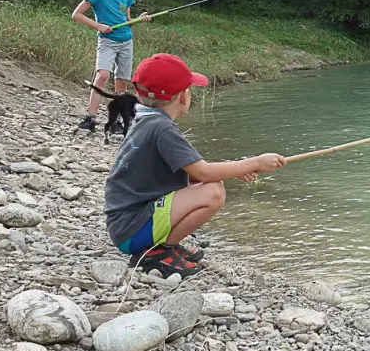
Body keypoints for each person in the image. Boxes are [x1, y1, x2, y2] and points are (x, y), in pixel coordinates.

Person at [104, 53, 287, 276]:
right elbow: (203, 171)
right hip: (131, 231)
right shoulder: (163, 129)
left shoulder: (145, 120)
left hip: (125, 226)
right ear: (183, 96)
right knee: (213, 191)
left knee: (209, 184)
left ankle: (162, 247)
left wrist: (238, 169)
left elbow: (188, 170)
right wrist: (255, 162)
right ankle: (157, 252)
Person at [72, 0, 148, 131]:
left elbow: (128, 21)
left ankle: (117, 123)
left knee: (121, 82)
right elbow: (76, 15)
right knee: (103, 76)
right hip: (107, 42)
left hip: (126, 42)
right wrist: (99, 26)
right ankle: (90, 118)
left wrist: (140, 18)